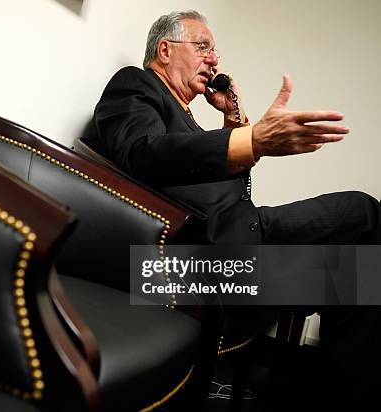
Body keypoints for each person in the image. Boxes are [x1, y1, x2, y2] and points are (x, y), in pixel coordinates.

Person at [82, 9, 381, 408]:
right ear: (165, 50)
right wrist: (252, 140)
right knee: (362, 219)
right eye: (202, 46)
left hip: (233, 243)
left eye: (214, 51)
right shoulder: (135, 85)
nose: (213, 58)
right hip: (185, 267)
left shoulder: (186, 118)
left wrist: (233, 118)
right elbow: (142, 153)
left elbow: (211, 181)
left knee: (360, 281)